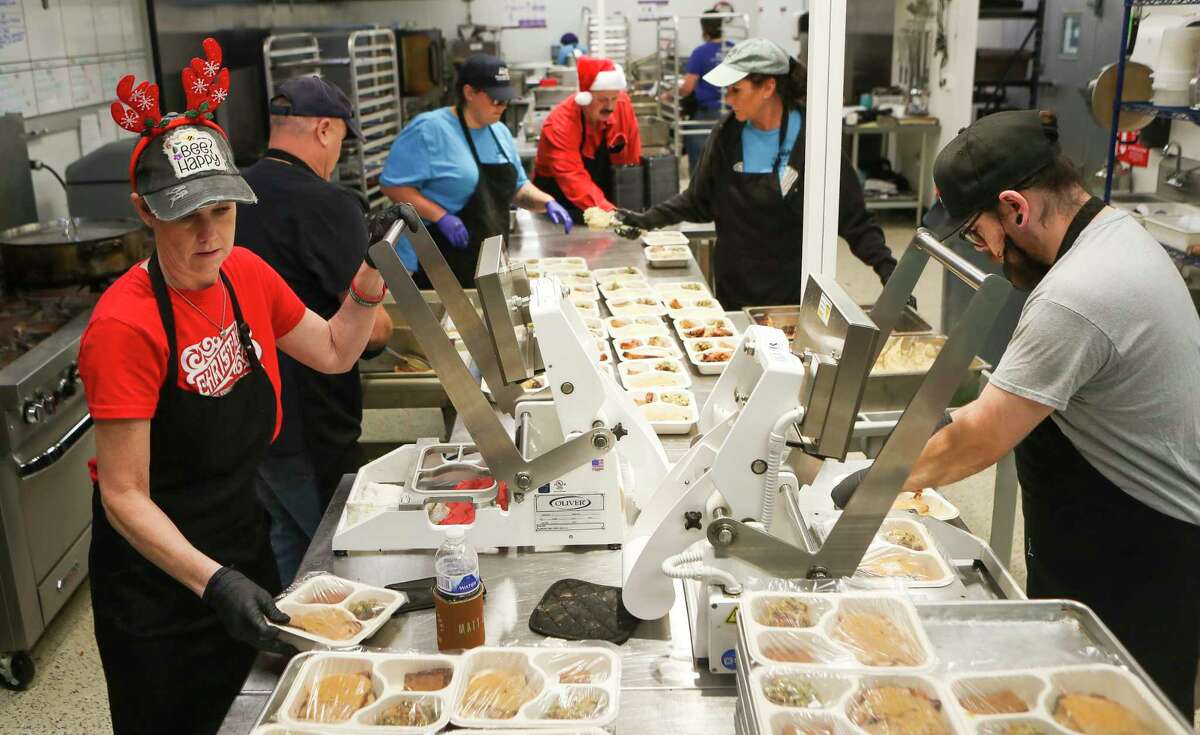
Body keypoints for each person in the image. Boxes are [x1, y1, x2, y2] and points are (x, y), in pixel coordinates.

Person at [81, 42, 397, 734]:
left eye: (222, 211)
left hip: (240, 547)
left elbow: (337, 349)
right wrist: (211, 580)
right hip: (156, 592)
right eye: (185, 214)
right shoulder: (125, 325)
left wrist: (370, 281)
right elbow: (124, 494)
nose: (207, 235)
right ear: (145, 210)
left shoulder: (246, 275)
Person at [899, 110, 1200, 716]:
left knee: (1116, 716)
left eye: (977, 235)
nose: (984, 254)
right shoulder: (1112, 231)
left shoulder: (1077, 293)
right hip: (1122, 528)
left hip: (1138, 552)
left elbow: (976, 440)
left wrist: (873, 484)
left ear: (1015, 208)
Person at [235, 75, 393, 586]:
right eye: (342, 141)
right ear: (325, 129)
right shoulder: (330, 205)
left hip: (246, 406)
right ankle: (334, 650)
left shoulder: (229, 197)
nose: (338, 155)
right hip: (311, 416)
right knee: (334, 550)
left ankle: (291, 642)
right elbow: (371, 331)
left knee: (286, 536)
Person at [617, 39, 896, 310]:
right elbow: (698, 201)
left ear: (768, 87)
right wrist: (647, 219)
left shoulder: (812, 140)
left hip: (793, 297)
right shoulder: (727, 136)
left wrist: (891, 275)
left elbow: (853, 219)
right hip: (735, 290)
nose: (727, 99)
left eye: (736, 90)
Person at [381, 54, 572, 287]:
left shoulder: (500, 132)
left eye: (506, 101)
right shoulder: (429, 129)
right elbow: (393, 186)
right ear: (469, 93)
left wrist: (547, 202)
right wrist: (440, 216)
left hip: (486, 260)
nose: (503, 107)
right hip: (435, 261)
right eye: (495, 100)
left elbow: (518, 188)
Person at [533, 55, 643, 224]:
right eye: (603, 100)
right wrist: (612, 215)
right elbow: (572, 177)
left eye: (614, 98)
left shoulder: (621, 104)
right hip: (559, 206)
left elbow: (631, 158)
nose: (610, 106)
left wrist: (630, 204)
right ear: (586, 98)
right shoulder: (560, 124)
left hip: (601, 201)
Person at [676, 8, 732, 175]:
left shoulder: (700, 53)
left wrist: (671, 93)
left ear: (704, 29)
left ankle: (699, 196)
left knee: (701, 161)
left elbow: (687, 88)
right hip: (732, 112)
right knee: (727, 158)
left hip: (707, 115)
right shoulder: (733, 49)